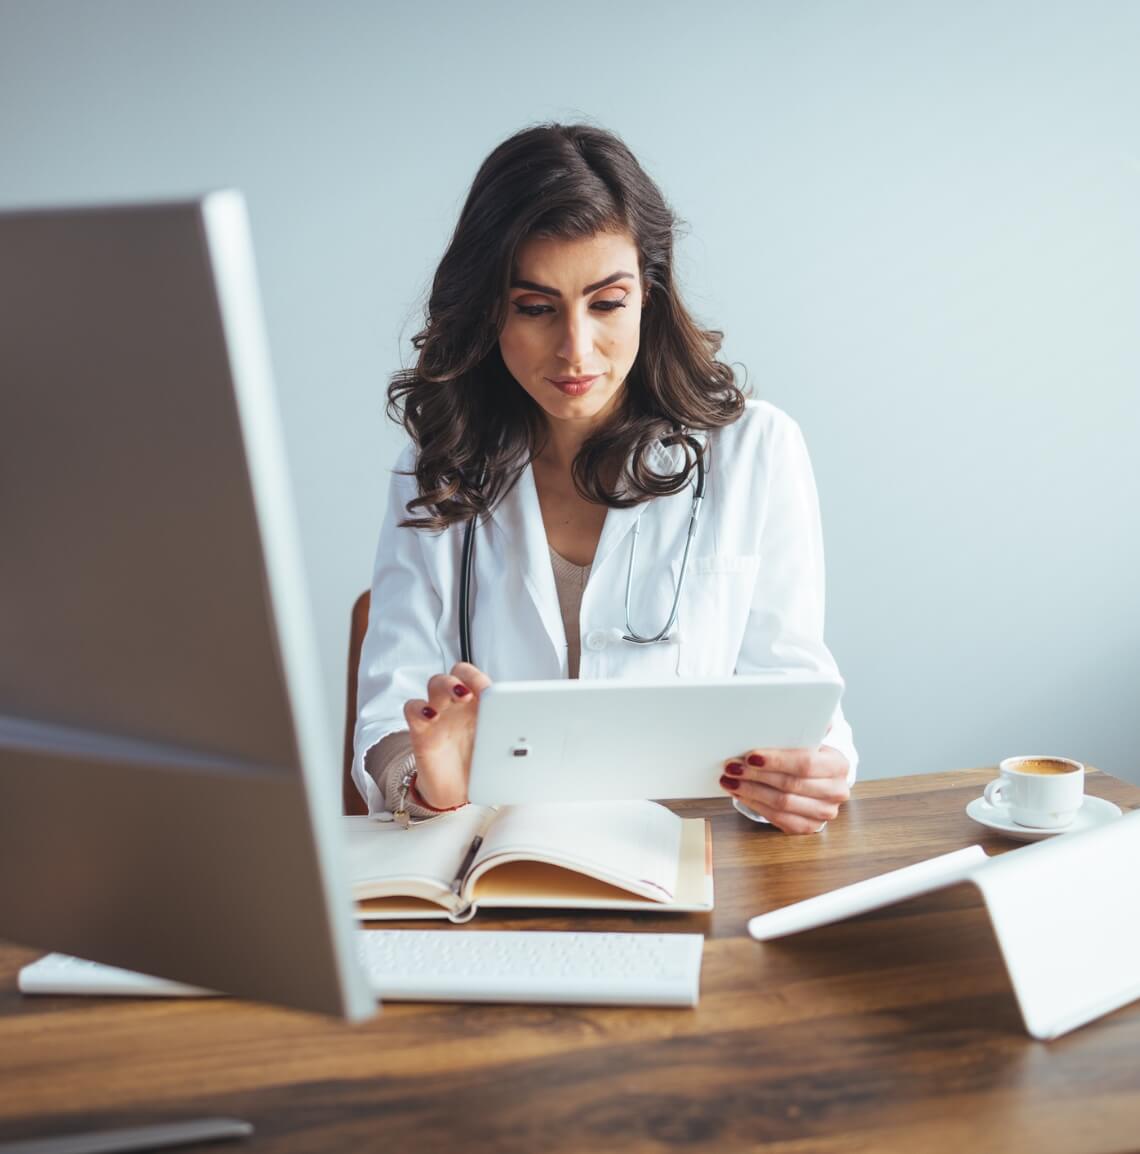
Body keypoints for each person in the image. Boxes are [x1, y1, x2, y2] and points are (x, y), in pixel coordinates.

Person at [352, 122, 857, 834]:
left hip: (688, 861)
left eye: (607, 303)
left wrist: (808, 773)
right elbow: (389, 712)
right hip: (502, 872)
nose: (575, 349)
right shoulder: (432, 468)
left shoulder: (757, 452)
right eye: (534, 308)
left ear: (648, 294)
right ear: (489, 308)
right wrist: (426, 777)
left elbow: (798, 697)